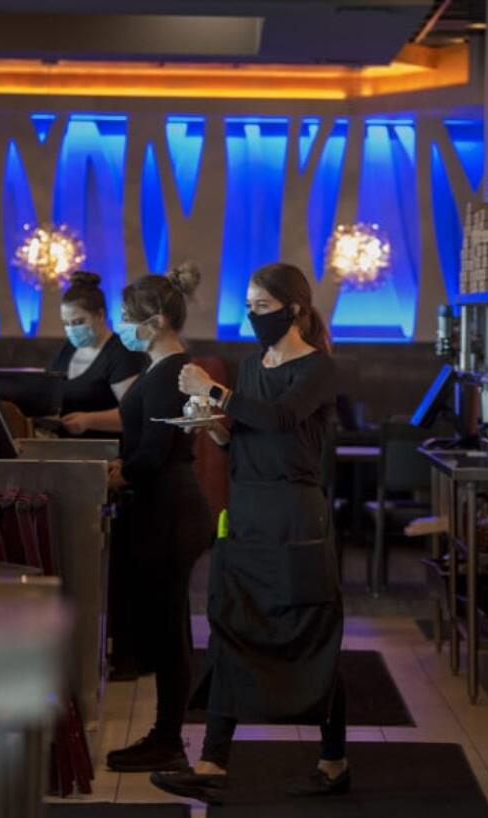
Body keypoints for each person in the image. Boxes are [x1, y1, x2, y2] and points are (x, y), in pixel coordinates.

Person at [151, 262, 346, 804]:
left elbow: (281, 420)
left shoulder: (318, 369)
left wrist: (214, 392)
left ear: (295, 309)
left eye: (263, 307)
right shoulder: (249, 365)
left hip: (296, 514)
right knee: (232, 625)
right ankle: (213, 761)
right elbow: (244, 438)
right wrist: (212, 426)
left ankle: (333, 756)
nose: (254, 316)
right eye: (249, 307)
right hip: (248, 512)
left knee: (309, 629)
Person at [104, 263, 212, 772]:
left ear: (159, 320)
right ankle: (165, 733)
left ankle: (168, 739)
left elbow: (155, 450)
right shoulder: (158, 367)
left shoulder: (171, 370)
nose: (122, 323)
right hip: (161, 504)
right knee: (165, 627)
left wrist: (118, 474)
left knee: (170, 630)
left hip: (171, 508)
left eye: (128, 315)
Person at [47, 271, 147, 436]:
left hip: (108, 452)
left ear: (100, 315)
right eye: (66, 323)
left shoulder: (122, 353)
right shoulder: (68, 349)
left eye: (78, 322)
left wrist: (89, 420)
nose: (72, 329)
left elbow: (135, 414)